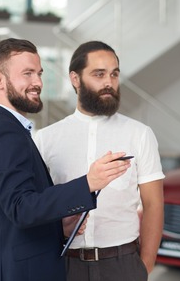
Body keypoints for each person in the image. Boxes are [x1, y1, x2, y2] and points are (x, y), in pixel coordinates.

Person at [0, 38, 131, 281]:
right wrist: (88, 182)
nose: (38, 83)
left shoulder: (9, 129)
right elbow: (21, 208)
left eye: (39, 73)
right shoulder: (3, 133)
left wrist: (58, 228)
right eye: (27, 74)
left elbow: (11, 213)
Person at [34, 40, 165, 281]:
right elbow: (38, 207)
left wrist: (144, 266)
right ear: (75, 79)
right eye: (99, 74)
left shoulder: (139, 134)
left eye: (114, 74)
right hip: (64, 265)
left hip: (123, 265)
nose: (109, 82)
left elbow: (153, 204)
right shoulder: (45, 140)